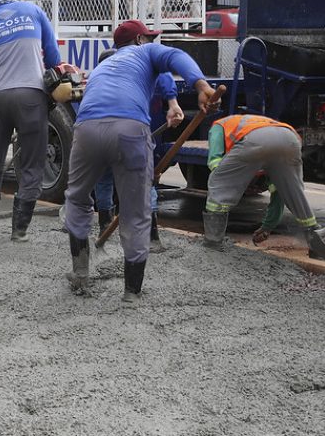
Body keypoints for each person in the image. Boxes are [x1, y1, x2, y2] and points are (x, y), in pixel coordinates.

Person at [64, 19, 216, 303]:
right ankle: (131, 292)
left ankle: (80, 275)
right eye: (148, 38)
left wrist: (172, 105)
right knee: (135, 210)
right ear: (138, 41)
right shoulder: (145, 52)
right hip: (129, 131)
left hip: (86, 130)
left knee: (77, 198)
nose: (150, 42)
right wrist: (201, 85)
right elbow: (174, 57)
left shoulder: (102, 68)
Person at [0, 0, 62, 241]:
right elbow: (52, 54)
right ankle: (19, 231)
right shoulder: (32, 11)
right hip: (31, 95)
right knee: (32, 164)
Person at [94, 70, 182, 252]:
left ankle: (105, 228)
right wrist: (173, 102)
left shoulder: (98, 82)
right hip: (134, 138)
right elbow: (164, 75)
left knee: (104, 181)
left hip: (104, 138)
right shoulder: (138, 80)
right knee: (145, 183)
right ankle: (152, 237)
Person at [203, 114, 320, 252]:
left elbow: (215, 161)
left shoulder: (219, 125)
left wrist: (230, 180)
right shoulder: (258, 121)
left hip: (255, 141)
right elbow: (278, 194)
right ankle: (316, 244)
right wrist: (267, 227)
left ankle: (213, 241)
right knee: (292, 192)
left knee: (218, 180)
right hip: (290, 139)